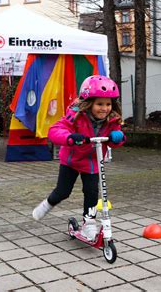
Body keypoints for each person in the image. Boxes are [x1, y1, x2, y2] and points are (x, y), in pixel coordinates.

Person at [32, 75, 125, 241]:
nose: (104, 108)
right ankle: (48, 203)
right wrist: (69, 137)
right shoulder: (75, 115)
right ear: (89, 103)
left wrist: (118, 137)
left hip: (93, 162)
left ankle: (89, 223)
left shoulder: (112, 119)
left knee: (91, 192)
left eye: (108, 104)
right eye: (99, 104)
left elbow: (117, 139)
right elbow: (55, 130)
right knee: (63, 192)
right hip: (72, 160)